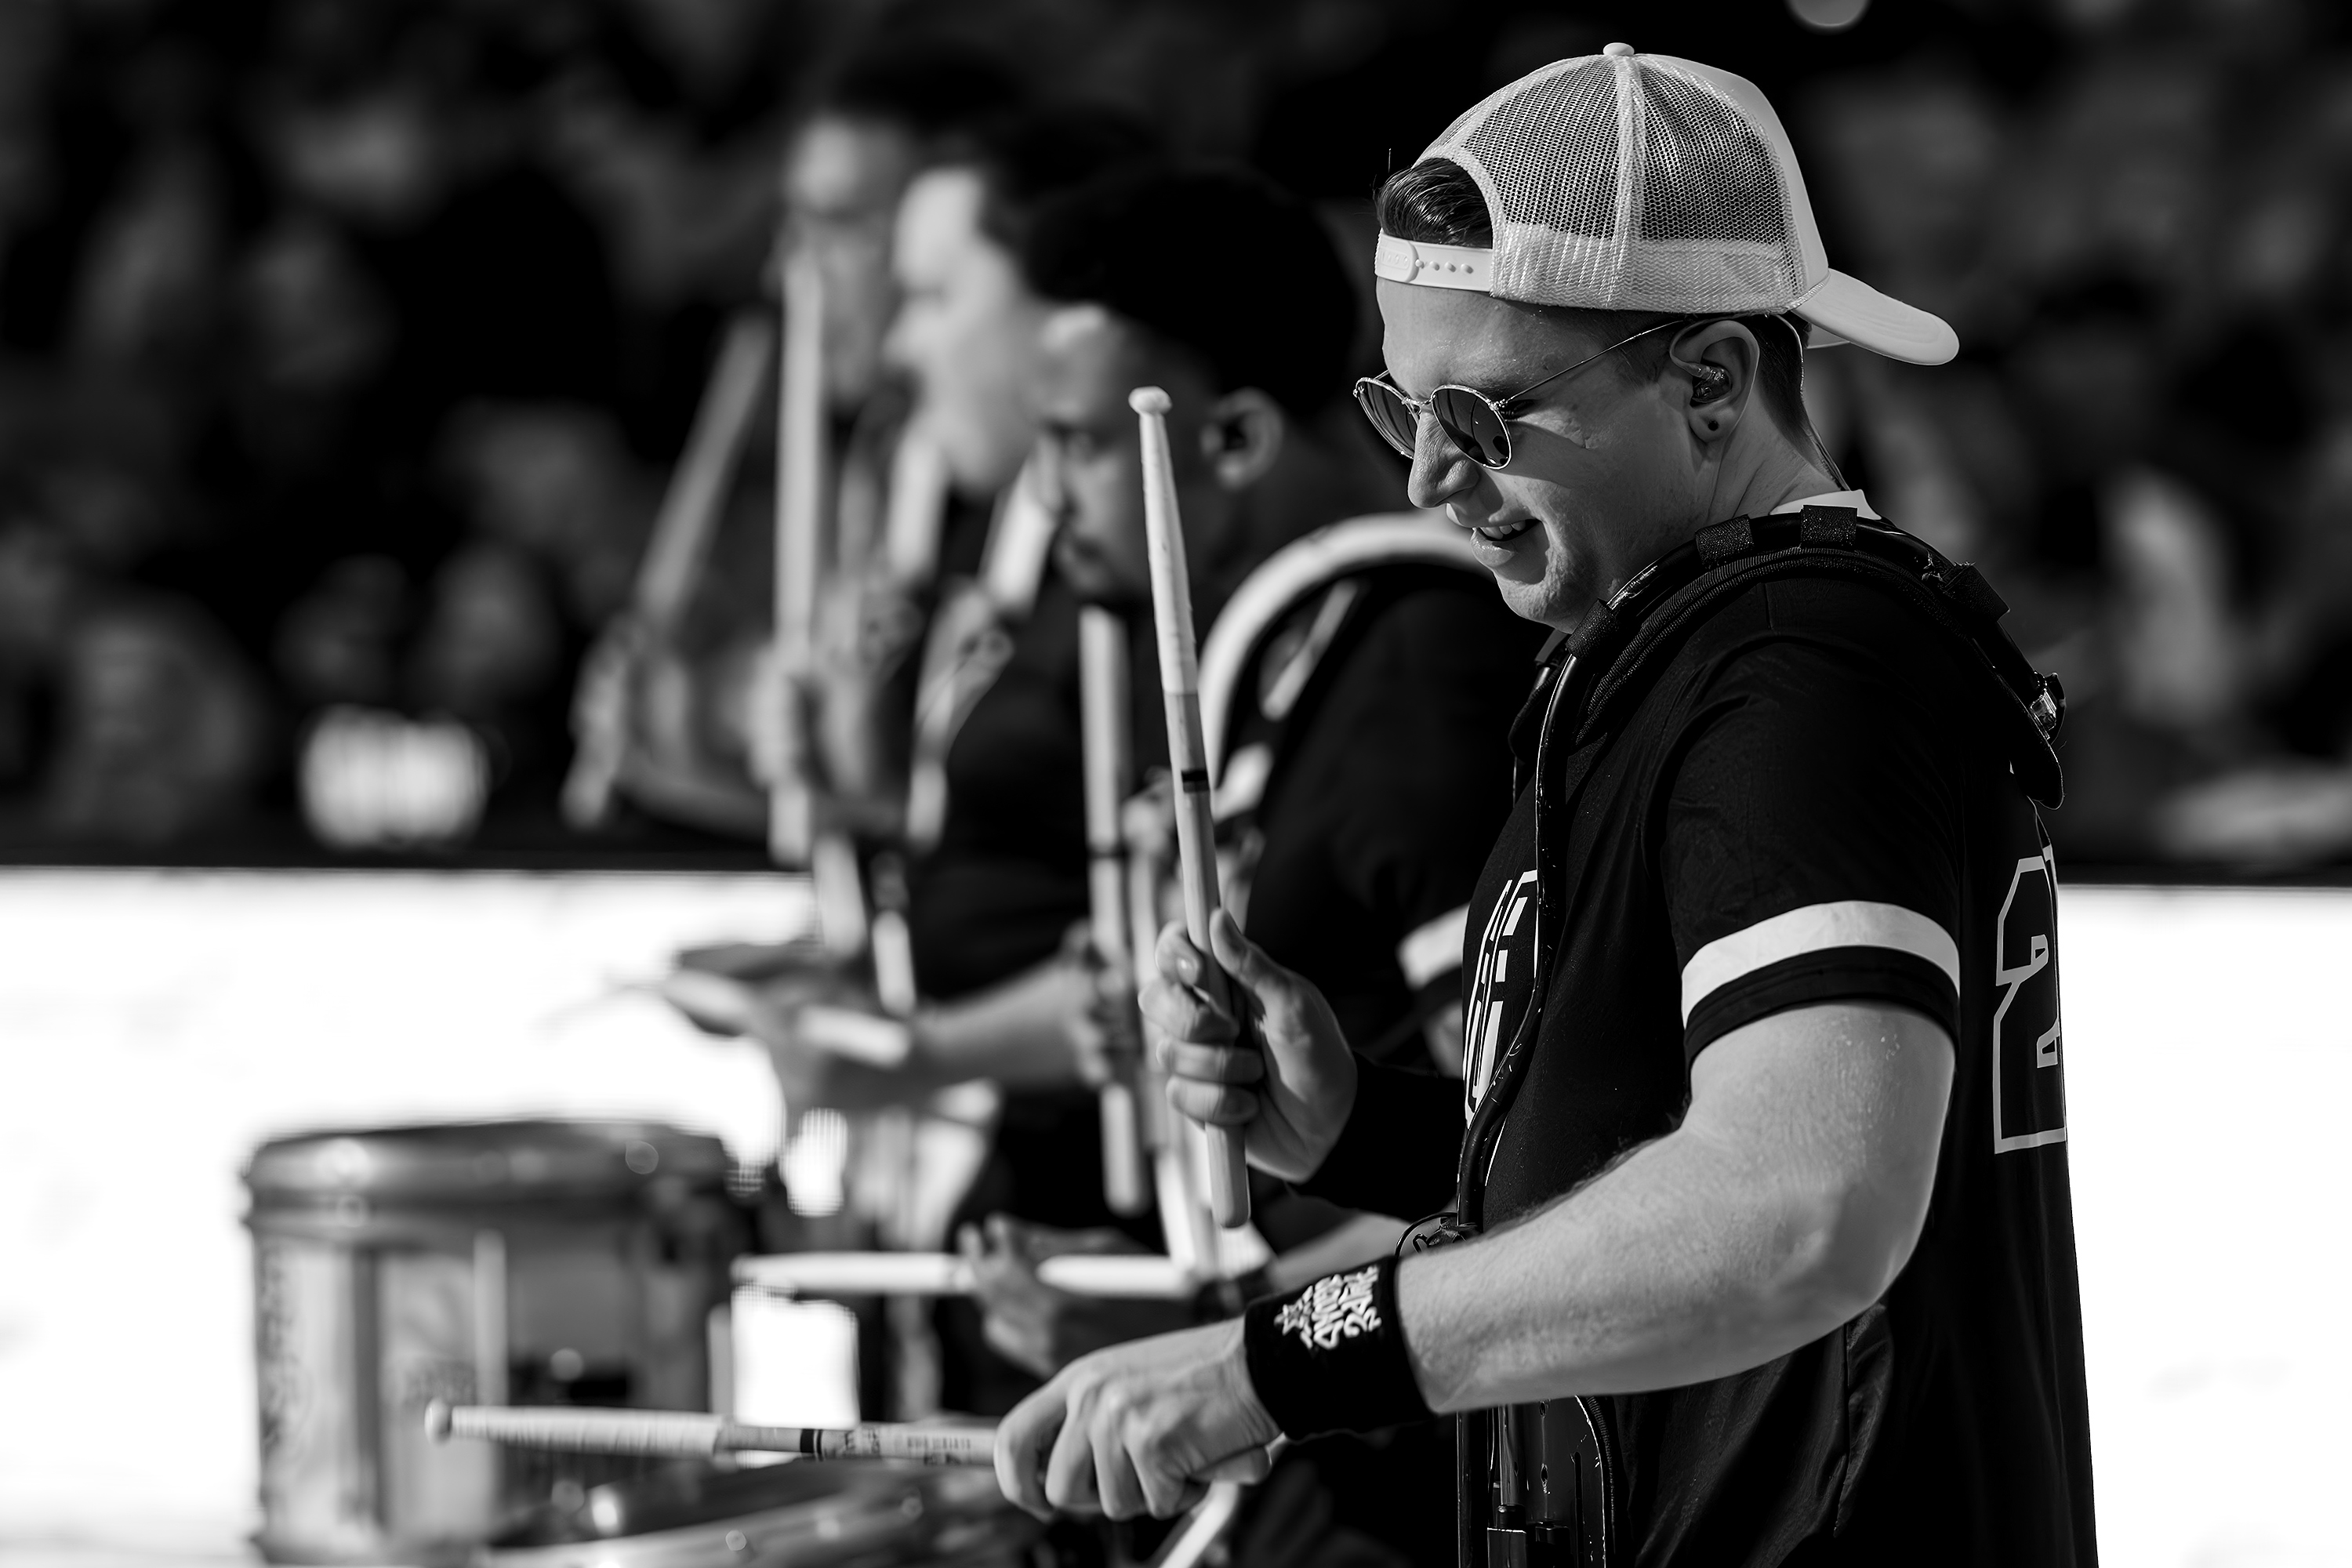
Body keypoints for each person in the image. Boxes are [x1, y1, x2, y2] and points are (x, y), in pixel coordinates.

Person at [996, 47, 2094, 1567]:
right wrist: (1367, 1129)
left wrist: (1275, 1365)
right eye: (1401, 408)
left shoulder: (1799, 668)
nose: (1429, 481)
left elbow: (1800, 1207)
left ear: (1710, 381)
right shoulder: (1699, 652)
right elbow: (1673, 1160)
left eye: (1486, 414)